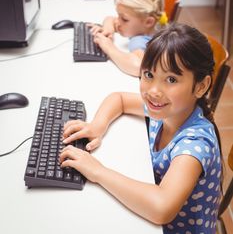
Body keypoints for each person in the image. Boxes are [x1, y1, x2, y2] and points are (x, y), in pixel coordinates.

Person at [60, 23, 222, 234]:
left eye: (171, 79)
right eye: (148, 75)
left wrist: (98, 171)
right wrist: (97, 125)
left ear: (201, 86)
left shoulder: (194, 144)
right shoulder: (167, 110)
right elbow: (119, 99)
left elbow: (161, 208)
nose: (154, 91)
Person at [91, 0, 167, 77]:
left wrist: (109, 48)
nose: (118, 22)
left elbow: (138, 67)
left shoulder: (140, 40)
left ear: (148, 22)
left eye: (124, 19)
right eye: (119, 16)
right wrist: (108, 29)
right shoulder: (140, 28)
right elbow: (110, 18)